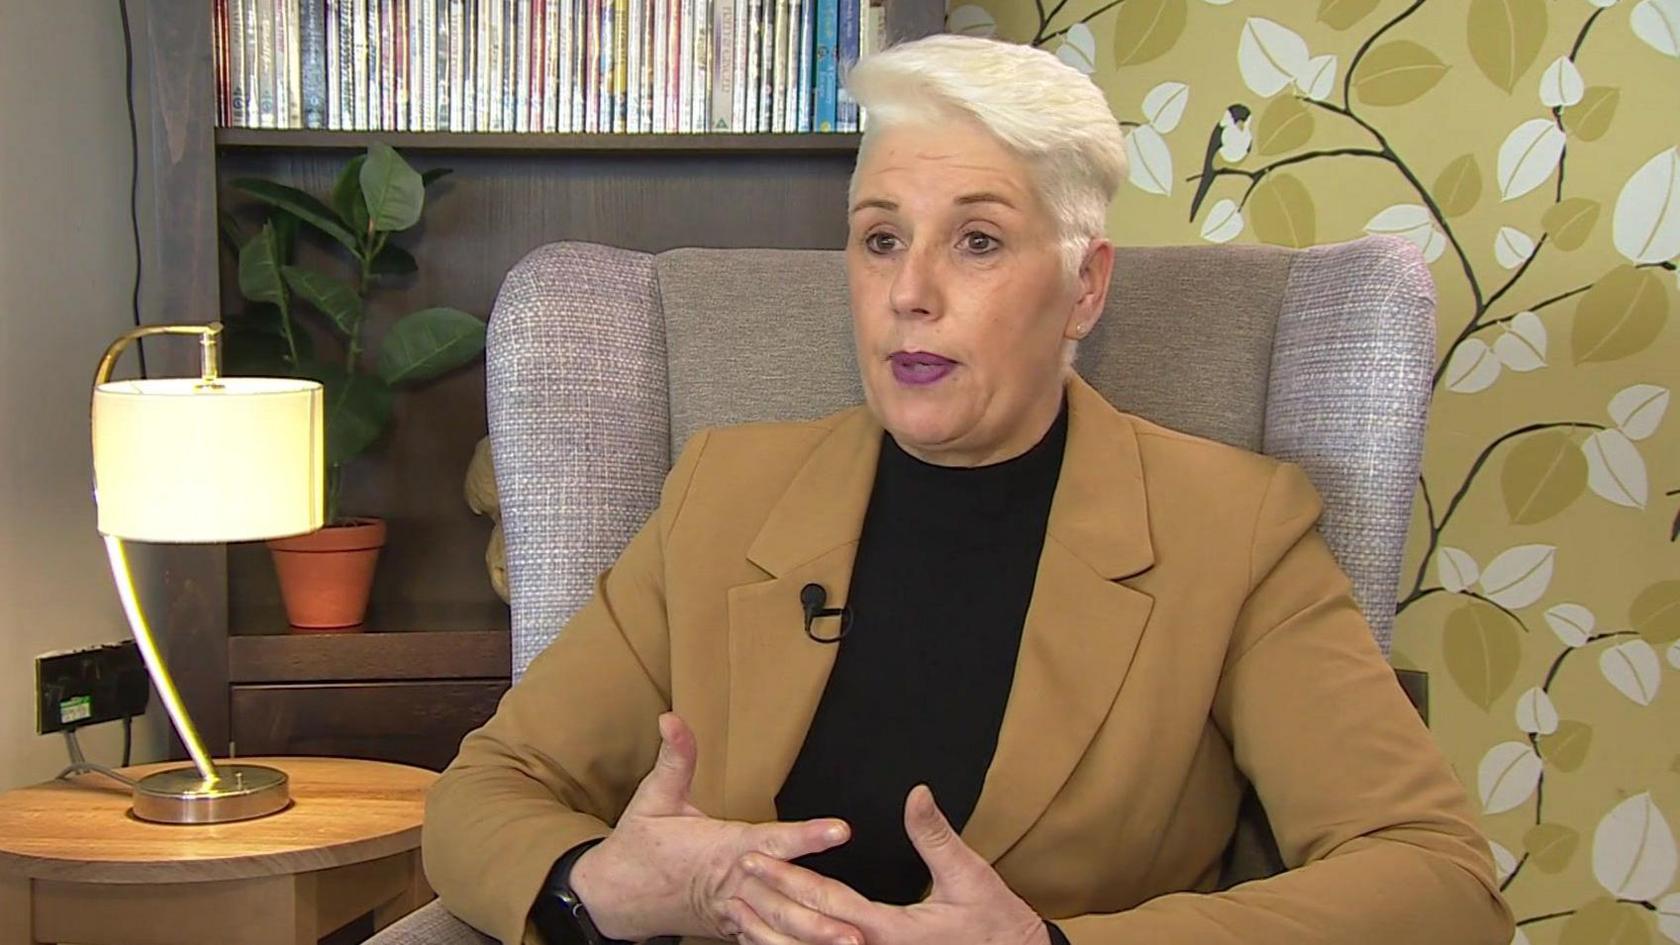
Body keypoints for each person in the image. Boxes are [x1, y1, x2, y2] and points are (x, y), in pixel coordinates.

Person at [423, 34, 1515, 945]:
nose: (910, 293)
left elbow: (1435, 881)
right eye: (880, 239)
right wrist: (595, 889)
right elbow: (488, 792)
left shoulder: (1235, 532)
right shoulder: (724, 492)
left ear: (1085, 287)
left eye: (978, 242)